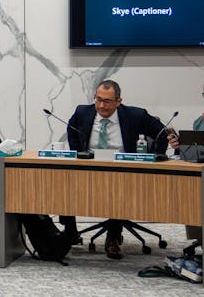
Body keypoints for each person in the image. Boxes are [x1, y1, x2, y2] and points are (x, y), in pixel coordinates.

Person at [60, 80, 166, 260]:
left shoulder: (136, 115)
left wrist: (156, 157)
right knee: (64, 180)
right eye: (98, 99)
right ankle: (71, 231)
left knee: (117, 184)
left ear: (118, 101)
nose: (101, 105)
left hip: (123, 170)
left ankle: (113, 237)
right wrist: (78, 152)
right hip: (91, 167)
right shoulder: (82, 112)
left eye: (107, 101)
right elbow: (71, 129)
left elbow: (162, 132)